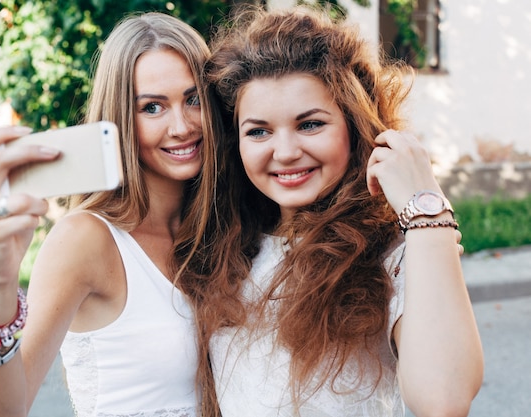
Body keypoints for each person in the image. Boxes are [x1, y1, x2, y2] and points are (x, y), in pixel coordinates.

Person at [176, 5, 484, 417]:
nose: (285, 153)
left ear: (353, 126)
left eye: (310, 125)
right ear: (235, 142)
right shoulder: (221, 248)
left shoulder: (393, 254)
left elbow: (444, 400)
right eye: (258, 131)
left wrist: (428, 213)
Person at [0, 12, 220, 417]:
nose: (182, 126)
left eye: (193, 100)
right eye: (153, 107)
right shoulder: (85, 238)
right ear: (120, 117)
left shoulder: (225, 230)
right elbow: (2, 411)